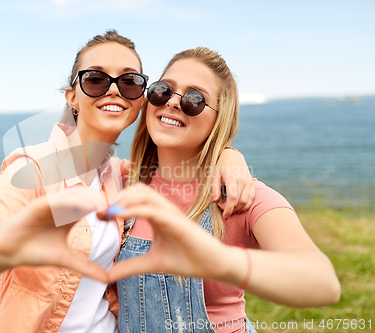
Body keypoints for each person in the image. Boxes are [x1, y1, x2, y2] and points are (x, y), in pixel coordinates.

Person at [0, 31, 254, 333]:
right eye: (95, 79)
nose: (114, 90)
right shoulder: (34, 170)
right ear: (72, 96)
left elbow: (182, 162)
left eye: (130, 81)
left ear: (140, 100)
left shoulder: (121, 177)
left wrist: (227, 153)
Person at [99, 47, 341, 333]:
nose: (173, 103)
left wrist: (220, 261)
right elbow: (53, 161)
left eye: (194, 99)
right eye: (164, 90)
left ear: (219, 118)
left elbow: (323, 283)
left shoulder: (240, 197)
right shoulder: (122, 183)